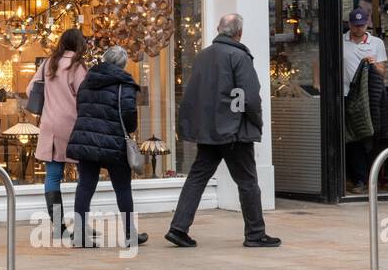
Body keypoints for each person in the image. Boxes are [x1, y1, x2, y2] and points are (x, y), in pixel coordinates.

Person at [166, 14, 280, 248]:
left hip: (209, 130)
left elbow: (195, 94)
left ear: (219, 29)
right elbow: (246, 97)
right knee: (247, 182)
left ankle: (178, 227)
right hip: (234, 131)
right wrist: (255, 122)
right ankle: (255, 233)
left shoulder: (203, 56)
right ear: (239, 32)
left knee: (197, 178)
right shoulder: (239, 56)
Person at [66, 45, 147, 248]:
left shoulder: (87, 81)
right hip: (114, 142)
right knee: (122, 188)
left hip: (86, 139)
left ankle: (80, 233)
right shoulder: (124, 84)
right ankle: (130, 234)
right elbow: (129, 117)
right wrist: (129, 129)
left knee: (85, 185)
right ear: (123, 63)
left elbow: (81, 108)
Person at [27, 28, 88, 240]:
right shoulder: (76, 66)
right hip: (72, 125)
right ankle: (81, 226)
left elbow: (30, 90)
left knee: (53, 176)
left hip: (49, 125)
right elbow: (85, 95)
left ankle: (58, 227)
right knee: (85, 175)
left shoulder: (48, 63)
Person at [342, 7, 388, 195]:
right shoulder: (341, 42)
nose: (358, 29)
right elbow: (319, 62)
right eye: (355, 25)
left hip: (369, 97)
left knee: (370, 136)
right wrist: (318, 84)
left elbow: (382, 71)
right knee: (352, 137)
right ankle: (358, 178)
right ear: (350, 24)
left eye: (361, 25)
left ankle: (372, 178)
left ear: (367, 24)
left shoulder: (376, 43)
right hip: (347, 95)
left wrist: (372, 63)